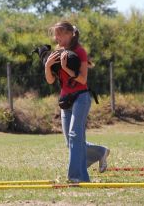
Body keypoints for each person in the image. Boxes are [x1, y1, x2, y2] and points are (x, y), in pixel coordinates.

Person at [44, 21, 110, 183]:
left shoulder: (80, 52)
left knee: (75, 136)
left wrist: (66, 68)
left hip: (81, 97)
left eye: (59, 34)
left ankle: (77, 177)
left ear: (69, 34)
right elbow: (51, 81)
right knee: (71, 141)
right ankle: (100, 151)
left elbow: (82, 79)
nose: (56, 37)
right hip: (65, 101)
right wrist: (47, 66)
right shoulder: (57, 52)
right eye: (55, 34)